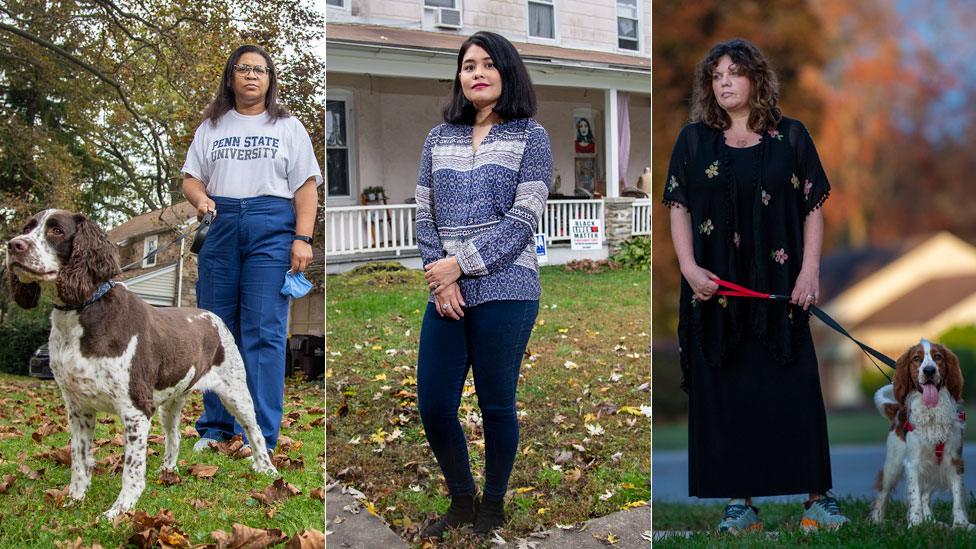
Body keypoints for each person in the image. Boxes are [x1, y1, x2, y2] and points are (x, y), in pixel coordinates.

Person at [663, 38, 846, 533]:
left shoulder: (792, 137)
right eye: (716, 75)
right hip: (713, 291)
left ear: (756, 79)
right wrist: (688, 269)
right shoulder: (693, 140)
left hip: (781, 288)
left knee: (797, 386)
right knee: (727, 392)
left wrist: (810, 271)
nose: (724, 82)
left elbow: (812, 206)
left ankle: (817, 500)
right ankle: (739, 506)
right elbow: (677, 206)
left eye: (734, 73)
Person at [415, 31, 551, 539]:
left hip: (508, 287)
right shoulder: (438, 137)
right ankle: (461, 499)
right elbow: (423, 214)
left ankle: (492, 505)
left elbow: (524, 218)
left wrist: (461, 265)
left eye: (488, 64)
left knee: (496, 403)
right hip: (446, 292)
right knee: (433, 403)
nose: (476, 73)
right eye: (468, 65)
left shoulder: (530, 137)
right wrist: (441, 276)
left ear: (507, 72)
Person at [181, 45, 321, 454]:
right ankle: (216, 429)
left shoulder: (289, 127)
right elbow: (191, 178)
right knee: (216, 331)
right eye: (243, 68)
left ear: (269, 79)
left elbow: (306, 187)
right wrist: (201, 199)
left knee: (264, 331)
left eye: (260, 69)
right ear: (231, 77)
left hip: (272, 228)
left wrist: (303, 238)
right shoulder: (211, 127)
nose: (251, 75)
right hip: (221, 226)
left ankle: (260, 436)